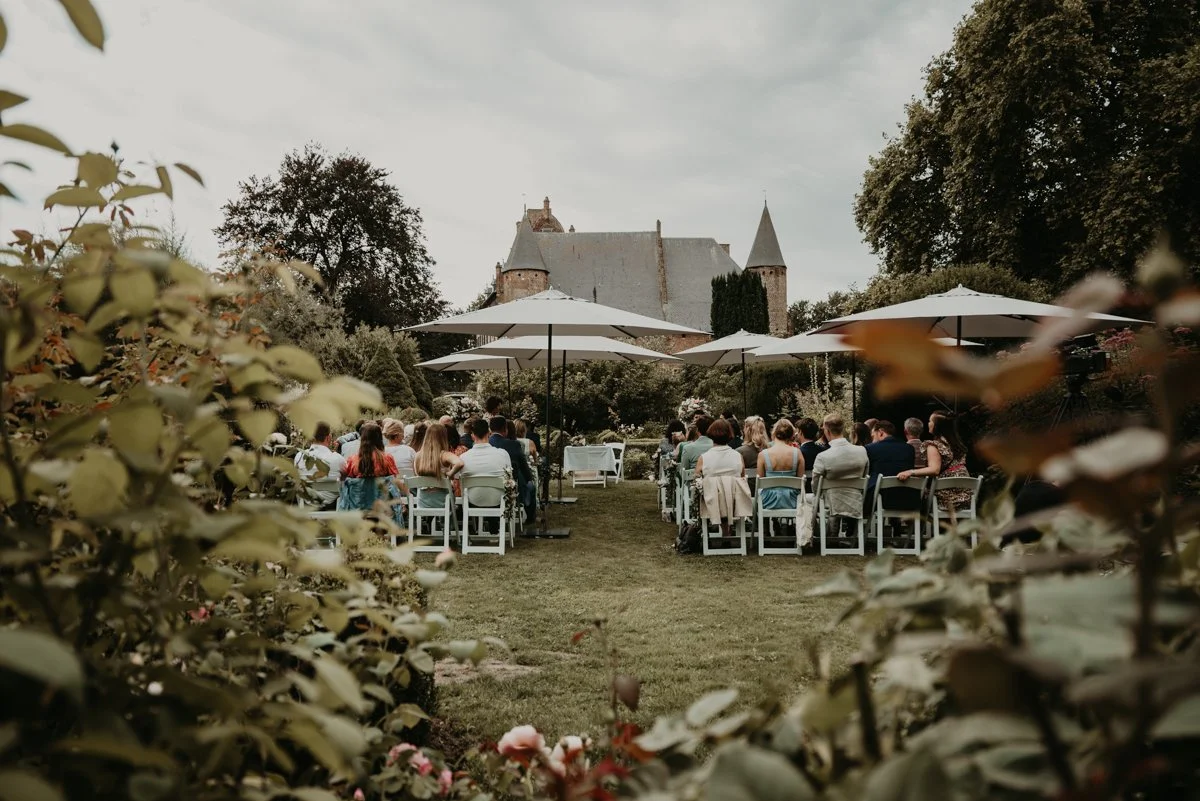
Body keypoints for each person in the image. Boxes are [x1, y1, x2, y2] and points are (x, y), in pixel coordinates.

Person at [897, 411, 972, 516]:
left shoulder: (933, 445)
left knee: (917, 494)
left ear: (937, 426)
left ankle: (917, 529)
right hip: (966, 496)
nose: (928, 423)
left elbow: (934, 469)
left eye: (930, 421)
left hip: (946, 499)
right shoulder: (957, 444)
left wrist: (910, 472)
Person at [812, 413, 869, 532]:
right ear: (843, 429)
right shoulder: (861, 451)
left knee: (803, 499)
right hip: (855, 500)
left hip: (830, 503)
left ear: (827, 431)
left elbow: (815, 485)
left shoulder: (823, 456)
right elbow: (864, 476)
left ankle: (815, 535)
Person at [339, 422, 398, 511]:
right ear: (380, 439)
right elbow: (393, 483)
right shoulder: (387, 459)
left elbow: (347, 485)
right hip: (383, 509)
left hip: (358, 508)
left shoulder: (352, 461)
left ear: (362, 439)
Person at [488, 416, 536, 523]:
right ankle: (530, 516)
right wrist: (530, 478)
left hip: (486, 488)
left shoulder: (486, 444)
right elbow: (524, 466)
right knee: (531, 486)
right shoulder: (513, 444)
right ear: (505, 429)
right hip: (510, 487)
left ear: (490, 429)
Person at [864, 420, 917, 516]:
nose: (872, 439)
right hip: (908, 497)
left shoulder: (870, 449)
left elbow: (868, 472)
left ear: (880, 432)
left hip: (880, 499)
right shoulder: (909, 448)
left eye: (873, 436)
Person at [460, 417, 512, 510]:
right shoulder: (503, 454)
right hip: (498, 499)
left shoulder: (463, 457)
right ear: (489, 433)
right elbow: (509, 476)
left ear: (472, 435)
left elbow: (457, 478)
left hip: (473, 499)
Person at [411, 421, 464, 511]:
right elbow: (460, 463)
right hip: (444, 501)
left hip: (423, 501)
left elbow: (417, 475)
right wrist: (450, 473)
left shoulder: (418, 455)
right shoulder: (444, 455)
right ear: (443, 438)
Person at [294, 421, 345, 509]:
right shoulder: (338, 459)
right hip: (332, 506)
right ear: (329, 438)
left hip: (306, 503)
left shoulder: (299, 456)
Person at [757, 418, 804, 511]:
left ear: (774, 433)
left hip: (768, 501)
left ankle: (766, 525)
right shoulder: (797, 453)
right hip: (793, 500)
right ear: (791, 434)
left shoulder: (763, 454)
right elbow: (800, 479)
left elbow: (760, 482)